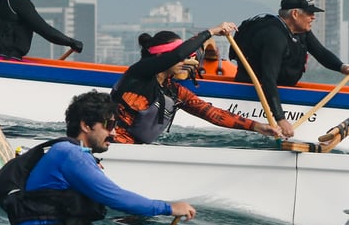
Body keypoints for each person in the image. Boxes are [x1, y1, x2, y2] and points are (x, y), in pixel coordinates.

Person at [0, 91, 196, 225]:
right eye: (109, 125)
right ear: (86, 126)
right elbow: (116, 197)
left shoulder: (70, 154)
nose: (114, 133)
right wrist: (169, 208)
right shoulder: (70, 154)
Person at [111, 26, 281, 145]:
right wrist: (212, 32)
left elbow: (212, 114)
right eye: (180, 57)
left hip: (136, 150)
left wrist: (257, 126)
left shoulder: (174, 91)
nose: (184, 60)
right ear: (160, 56)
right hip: (112, 145)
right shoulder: (138, 74)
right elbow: (178, 53)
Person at [231, 0, 349, 138]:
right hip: (250, 94)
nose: (313, 17)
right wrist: (280, 119)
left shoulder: (300, 30)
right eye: (309, 13)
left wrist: (343, 67)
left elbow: (320, 52)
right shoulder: (274, 36)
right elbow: (268, 79)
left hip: (282, 88)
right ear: (294, 14)